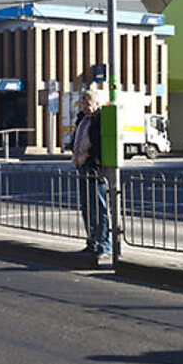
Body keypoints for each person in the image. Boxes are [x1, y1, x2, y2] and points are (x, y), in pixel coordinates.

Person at [71, 89, 111, 259]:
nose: (85, 107)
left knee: (99, 207)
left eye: (88, 103)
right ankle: (92, 242)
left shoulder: (100, 118)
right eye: (83, 103)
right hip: (81, 167)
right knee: (86, 207)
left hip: (95, 168)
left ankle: (104, 244)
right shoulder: (82, 118)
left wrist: (85, 155)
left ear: (96, 104)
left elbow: (101, 143)